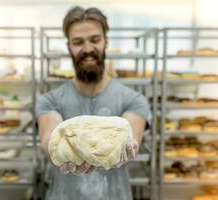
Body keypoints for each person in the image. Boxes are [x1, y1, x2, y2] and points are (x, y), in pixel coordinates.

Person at [35, 6, 151, 200]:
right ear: (69, 47)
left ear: (106, 41)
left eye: (95, 40)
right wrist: (56, 150)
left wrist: (129, 147)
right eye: (78, 42)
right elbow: (49, 140)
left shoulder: (134, 99)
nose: (88, 49)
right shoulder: (50, 100)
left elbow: (130, 139)